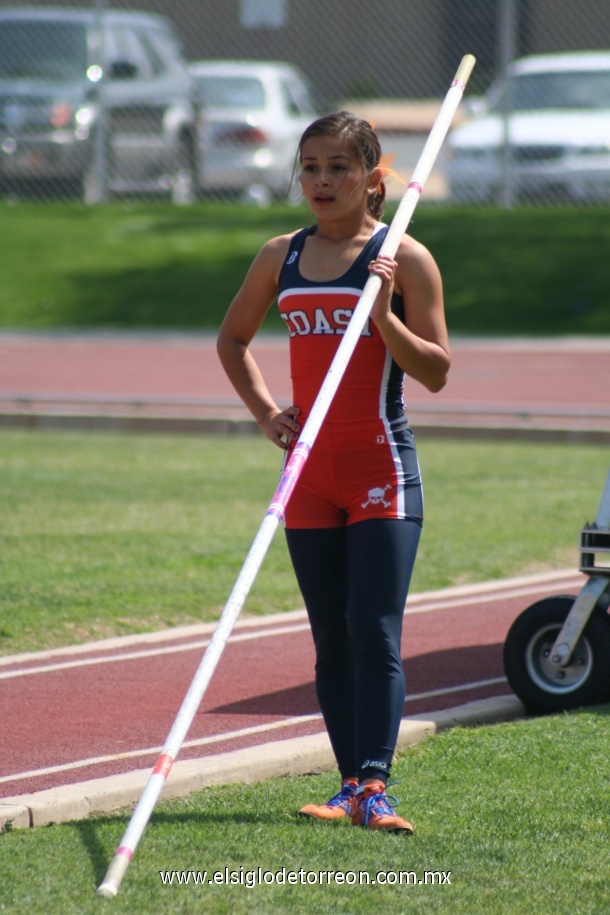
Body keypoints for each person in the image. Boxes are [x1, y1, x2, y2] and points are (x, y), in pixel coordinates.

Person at [217, 110, 450, 834]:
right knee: (331, 638)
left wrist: (382, 313)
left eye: (338, 168)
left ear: (372, 178)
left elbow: (437, 370)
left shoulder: (403, 258)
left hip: (381, 465)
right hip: (308, 474)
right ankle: (349, 783)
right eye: (310, 166)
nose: (321, 180)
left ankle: (378, 788)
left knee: (372, 627)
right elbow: (233, 339)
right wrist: (265, 414)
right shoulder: (278, 254)